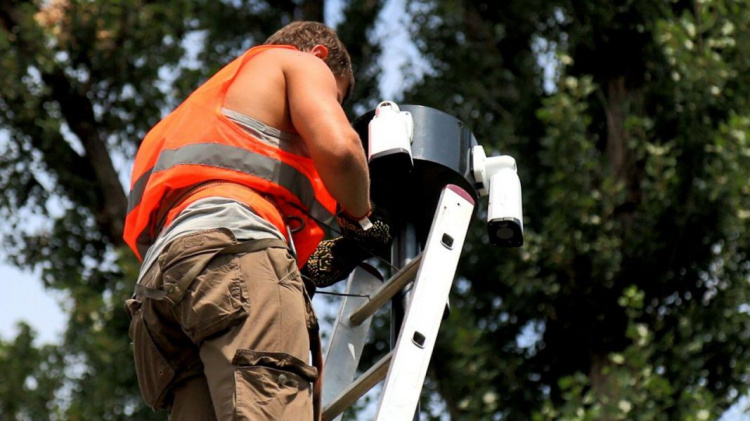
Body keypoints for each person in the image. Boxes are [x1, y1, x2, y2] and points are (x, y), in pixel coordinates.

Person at [122, 21, 392, 420]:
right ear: (318, 54)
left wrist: (302, 266)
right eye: (336, 97)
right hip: (233, 255)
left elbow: (211, 219)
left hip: (162, 290)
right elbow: (340, 151)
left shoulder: (193, 117)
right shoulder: (299, 62)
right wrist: (362, 219)